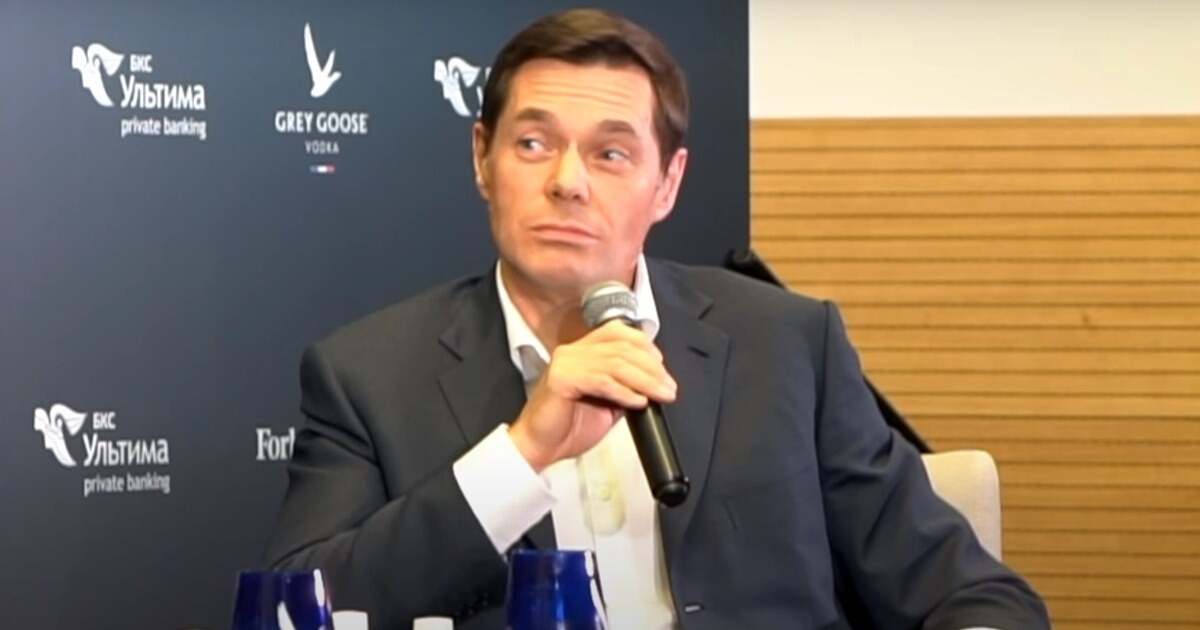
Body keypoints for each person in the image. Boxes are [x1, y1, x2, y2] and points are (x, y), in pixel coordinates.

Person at [263, 8, 1050, 630]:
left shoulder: (786, 345)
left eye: (611, 154)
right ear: (482, 158)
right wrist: (523, 451)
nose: (568, 182)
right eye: (533, 143)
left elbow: (971, 594)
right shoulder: (367, 374)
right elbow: (299, 609)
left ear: (667, 183)